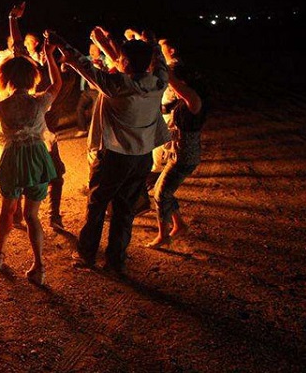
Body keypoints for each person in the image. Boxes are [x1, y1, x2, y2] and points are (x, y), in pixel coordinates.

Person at [51, 29, 170, 275]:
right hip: (141, 157)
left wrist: (61, 42)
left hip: (114, 157)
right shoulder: (158, 83)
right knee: (125, 209)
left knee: (97, 205)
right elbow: (161, 64)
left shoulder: (117, 85)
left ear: (125, 62)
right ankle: (116, 259)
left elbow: (83, 65)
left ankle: (86, 254)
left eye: (120, 59)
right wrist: (153, 44)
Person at [0, 32, 61, 286]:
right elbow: (56, 85)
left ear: (7, 80)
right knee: (32, 215)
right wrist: (51, 57)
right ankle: (39, 266)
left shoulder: (0, 107)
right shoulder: (39, 102)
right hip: (37, 158)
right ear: (32, 78)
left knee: (7, 209)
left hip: (13, 159)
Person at [146, 64, 206, 248]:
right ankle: (179, 224)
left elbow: (179, 88)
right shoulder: (183, 100)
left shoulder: (194, 100)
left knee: (161, 194)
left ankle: (163, 235)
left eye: (175, 84)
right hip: (178, 154)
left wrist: (166, 72)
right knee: (162, 190)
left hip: (185, 157)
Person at [74, 44, 107, 137]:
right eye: (90, 49)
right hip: (88, 89)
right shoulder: (86, 59)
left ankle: (96, 132)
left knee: (95, 112)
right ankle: (82, 129)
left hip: (98, 90)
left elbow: (107, 73)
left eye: (94, 49)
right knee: (80, 107)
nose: (91, 51)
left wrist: (101, 66)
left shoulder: (104, 59)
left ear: (99, 50)